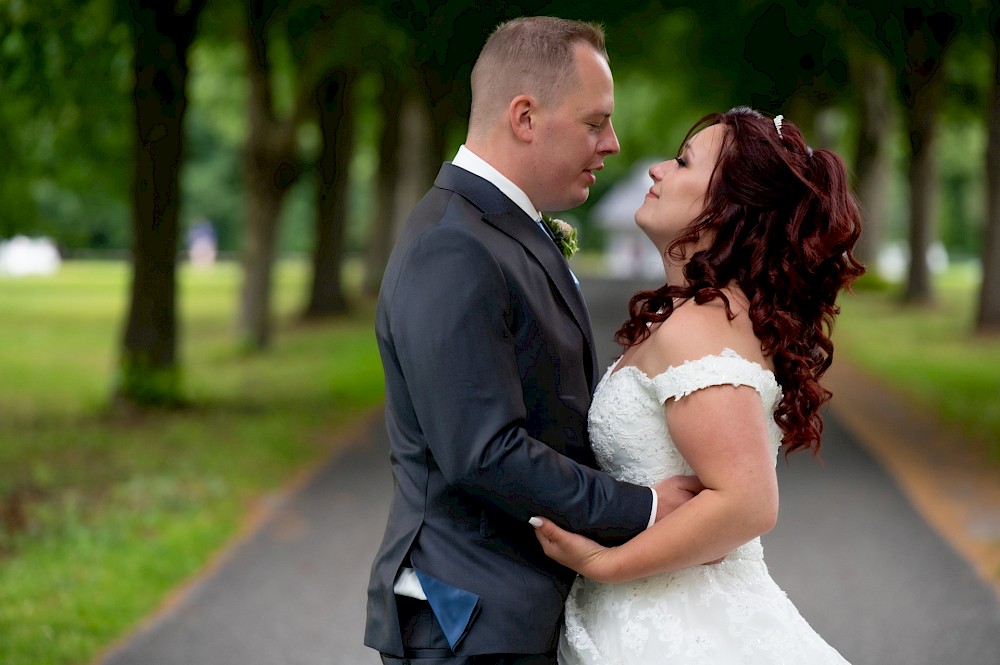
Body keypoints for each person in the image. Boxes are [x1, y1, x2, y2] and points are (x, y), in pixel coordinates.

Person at [364, 17, 701, 665]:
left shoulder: (502, 229)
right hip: (465, 616)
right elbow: (484, 450)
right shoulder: (452, 245)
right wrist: (645, 507)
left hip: (515, 607)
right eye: (595, 122)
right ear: (524, 117)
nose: (613, 143)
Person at [530, 107, 864, 663]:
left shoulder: (703, 325)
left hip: (682, 628)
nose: (657, 170)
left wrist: (603, 565)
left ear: (727, 209)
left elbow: (748, 503)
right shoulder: (704, 313)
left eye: (683, 162)